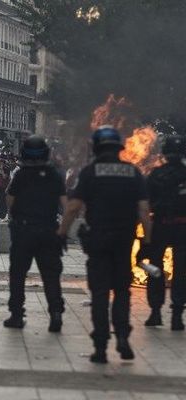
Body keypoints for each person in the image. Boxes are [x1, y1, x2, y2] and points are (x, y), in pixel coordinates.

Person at [57, 126, 152, 364]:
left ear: (97, 148)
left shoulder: (90, 172)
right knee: (122, 291)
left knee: (99, 293)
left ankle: (100, 347)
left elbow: (73, 207)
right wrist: (147, 243)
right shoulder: (133, 172)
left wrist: (61, 234)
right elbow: (143, 211)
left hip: (98, 239)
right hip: (124, 241)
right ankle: (122, 337)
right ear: (119, 148)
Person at [4, 136, 67, 332]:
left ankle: (16, 315)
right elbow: (65, 204)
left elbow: (10, 199)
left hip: (24, 230)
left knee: (18, 274)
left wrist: (15, 216)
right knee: (51, 275)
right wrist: (62, 232)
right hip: (48, 229)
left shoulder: (21, 175)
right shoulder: (55, 175)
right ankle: (56, 313)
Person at [139, 135, 186, 330]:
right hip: (183, 228)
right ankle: (176, 316)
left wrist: (145, 236)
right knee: (181, 272)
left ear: (164, 153)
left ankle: (155, 312)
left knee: (155, 269)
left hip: (159, 226)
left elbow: (145, 205)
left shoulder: (155, 175)